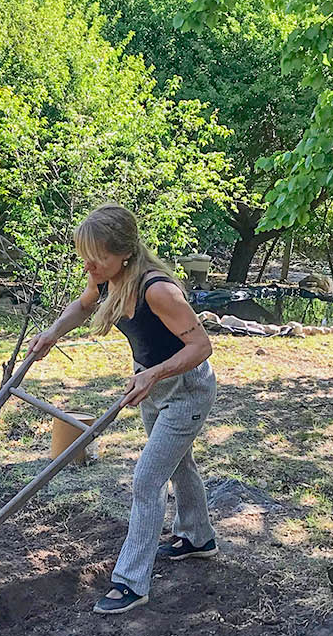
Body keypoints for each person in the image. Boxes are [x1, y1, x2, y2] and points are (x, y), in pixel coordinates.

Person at [28, 203, 218, 615]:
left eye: (98, 260)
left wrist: (153, 375)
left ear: (125, 253)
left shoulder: (158, 291)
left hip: (185, 390)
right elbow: (81, 307)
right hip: (150, 383)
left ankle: (132, 582)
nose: (89, 269)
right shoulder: (109, 281)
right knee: (177, 464)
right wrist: (51, 334)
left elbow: (201, 347)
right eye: (85, 259)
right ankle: (198, 538)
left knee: (146, 480)